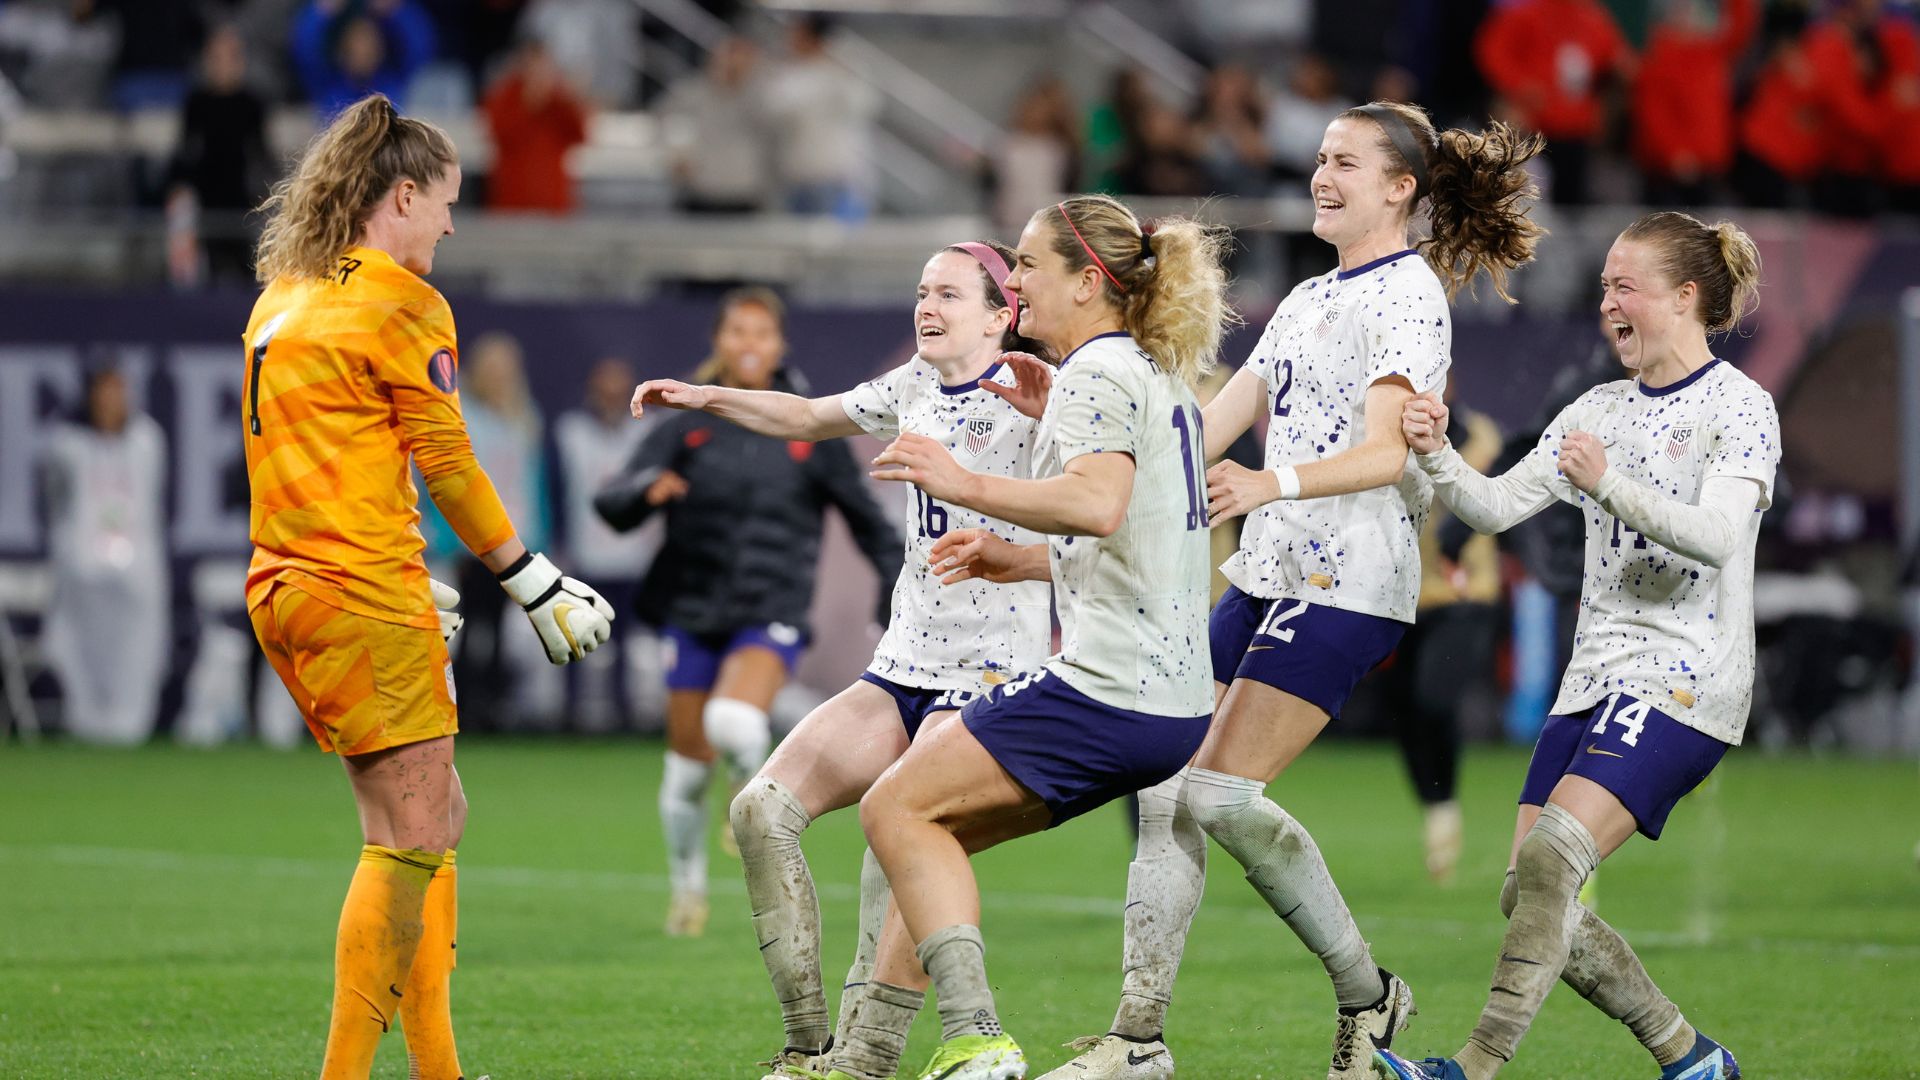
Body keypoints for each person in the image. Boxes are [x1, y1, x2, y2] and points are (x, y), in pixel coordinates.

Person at [1044, 101, 1545, 1080]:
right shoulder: (1313, 299)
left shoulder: (1409, 298)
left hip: (1352, 579)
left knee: (1217, 792)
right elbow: (1199, 434)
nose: (1321, 175)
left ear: (1400, 187)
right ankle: (1138, 1040)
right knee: (1164, 794)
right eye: (1318, 158)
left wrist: (1270, 483)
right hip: (1265, 573)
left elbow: (1378, 452)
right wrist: (1079, 420)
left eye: (1346, 162)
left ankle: (1368, 994)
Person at [241, 93, 614, 1080]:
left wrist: (400, 573)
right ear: (402, 195)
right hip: (357, 583)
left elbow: (318, 454)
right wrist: (530, 580)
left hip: (290, 581)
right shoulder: (402, 300)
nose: (452, 222)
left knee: (425, 817)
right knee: (414, 832)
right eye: (446, 201)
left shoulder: (284, 292)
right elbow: (448, 462)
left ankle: (441, 1070)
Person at [833, 193, 1235, 1080]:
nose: (1012, 282)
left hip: (1108, 685)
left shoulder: (1100, 372)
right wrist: (1021, 559)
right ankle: (866, 1057)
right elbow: (1146, 533)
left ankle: (977, 1038)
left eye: (1026, 265)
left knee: (893, 808)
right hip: (1172, 700)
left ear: (1088, 282)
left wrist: (959, 480)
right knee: (938, 832)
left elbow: (1097, 505)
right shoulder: (1151, 369)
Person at [630, 240, 1052, 1078]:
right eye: (921, 293)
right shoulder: (915, 384)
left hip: (987, 676)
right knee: (760, 813)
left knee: (899, 839)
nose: (926, 308)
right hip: (902, 665)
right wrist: (708, 396)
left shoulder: (1050, 398)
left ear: (1002, 313)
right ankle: (807, 1049)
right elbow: (807, 414)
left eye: (948, 296)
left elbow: (1110, 518)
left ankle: (939, 1043)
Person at [1372, 211, 1776, 1080]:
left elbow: (1715, 535)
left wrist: (1609, 484)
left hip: (1687, 677)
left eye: (1625, 286)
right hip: (1595, 676)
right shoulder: (1595, 409)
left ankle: (1473, 1068)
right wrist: (1436, 452)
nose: (1607, 304)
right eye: (1603, 289)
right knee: (1529, 892)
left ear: (1686, 296)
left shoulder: (1741, 408)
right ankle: (1689, 1055)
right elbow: (1492, 509)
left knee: (1556, 857)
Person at [594, 287, 902, 937]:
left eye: (761, 333)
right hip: (691, 606)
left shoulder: (808, 430)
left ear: (779, 344)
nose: (749, 345)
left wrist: (891, 585)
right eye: (738, 332)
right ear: (720, 342)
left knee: (733, 722)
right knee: (683, 769)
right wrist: (646, 491)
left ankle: (749, 788)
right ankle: (688, 891)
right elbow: (613, 504)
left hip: (772, 606)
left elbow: (870, 522)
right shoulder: (686, 425)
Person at [38, 367, 169, 745]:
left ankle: (130, 729)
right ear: (91, 395)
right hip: (84, 573)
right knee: (83, 653)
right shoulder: (67, 446)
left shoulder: (147, 441)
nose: (113, 400)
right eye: (105, 390)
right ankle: (86, 725)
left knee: (136, 652)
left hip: (136, 573)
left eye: (119, 390)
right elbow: (58, 504)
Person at [553, 356, 663, 732]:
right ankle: (570, 715)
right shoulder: (572, 433)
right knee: (576, 638)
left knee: (629, 642)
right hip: (587, 555)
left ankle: (625, 713)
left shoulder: (646, 433)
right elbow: (558, 492)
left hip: (634, 555)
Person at [481, 37, 590, 213]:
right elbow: (497, 132)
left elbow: (581, 134)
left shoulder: (559, 101)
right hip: (511, 206)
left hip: (554, 208)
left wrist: (572, 100)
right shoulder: (505, 97)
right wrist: (529, 102)